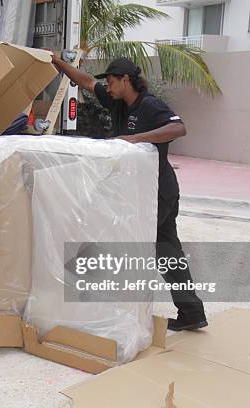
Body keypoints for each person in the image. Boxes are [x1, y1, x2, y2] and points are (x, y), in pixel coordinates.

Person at [51, 54, 207, 331]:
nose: (108, 87)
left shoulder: (150, 106)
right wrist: (56, 63)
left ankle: (111, 309)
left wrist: (134, 139)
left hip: (158, 192)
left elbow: (179, 128)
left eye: (111, 82)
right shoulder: (116, 101)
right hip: (144, 191)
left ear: (126, 80)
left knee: (121, 240)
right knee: (167, 252)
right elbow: (86, 82)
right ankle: (192, 312)